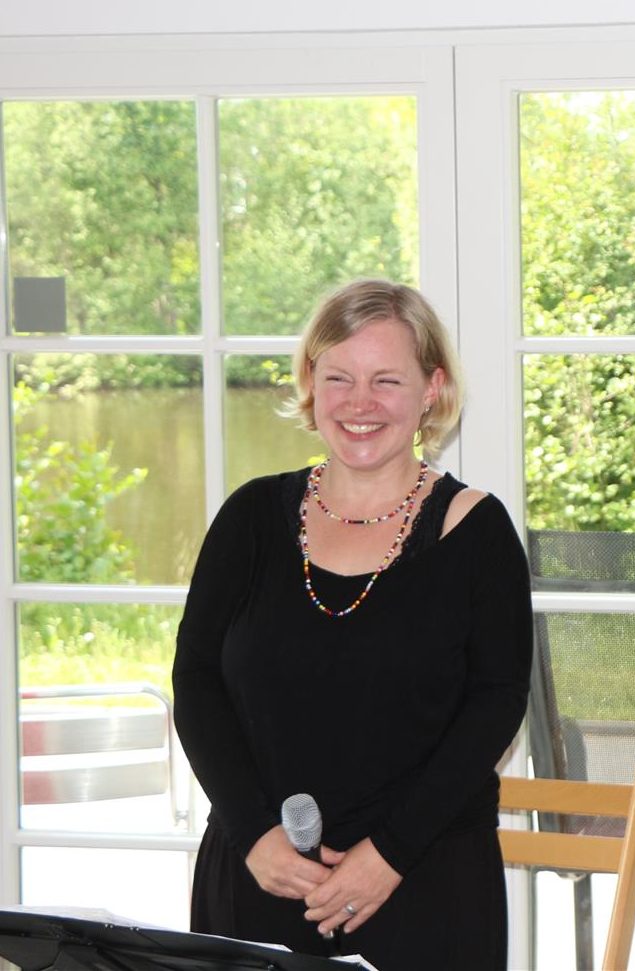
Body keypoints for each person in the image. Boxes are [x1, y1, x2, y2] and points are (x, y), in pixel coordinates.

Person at [173, 279, 532, 969]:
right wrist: (254, 836)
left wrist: (390, 853)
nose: (359, 403)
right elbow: (195, 680)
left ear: (432, 389)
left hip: (422, 883)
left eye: (386, 380)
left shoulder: (478, 533)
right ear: (311, 383)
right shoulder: (249, 518)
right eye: (338, 377)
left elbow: (496, 703)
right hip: (257, 877)